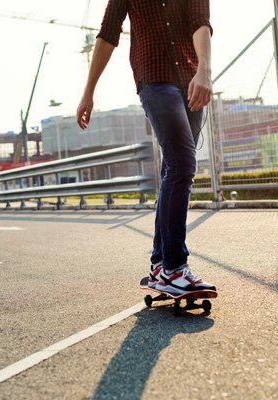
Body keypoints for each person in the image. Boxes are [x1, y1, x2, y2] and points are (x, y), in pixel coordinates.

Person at [76, 0, 217, 295]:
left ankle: (159, 264)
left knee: (173, 169)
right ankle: (174, 268)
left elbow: (199, 21)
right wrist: (88, 92)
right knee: (182, 165)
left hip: (190, 78)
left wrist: (204, 71)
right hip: (154, 80)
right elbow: (108, 33)